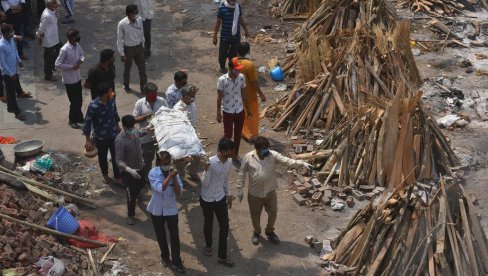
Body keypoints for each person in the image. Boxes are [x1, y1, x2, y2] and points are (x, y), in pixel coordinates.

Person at [237, 136, 313, 245]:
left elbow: (287, 161)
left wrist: (302, 163)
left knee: (273, 213)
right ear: (257, 149)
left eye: (266, 148)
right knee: (255, 215)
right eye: (263, 149)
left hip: (270, 192)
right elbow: (241, 173)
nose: (266, 151)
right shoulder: (248, 157)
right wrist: (240, 189)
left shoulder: (272, 155)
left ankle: (269, 231)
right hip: (254, 194)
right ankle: (257, 232)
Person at [147, 151, 186, 274]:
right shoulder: (153, 173)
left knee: (174, 236)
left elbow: (178, 192)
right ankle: (165, 256)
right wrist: (170, 176)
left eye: (168, 162)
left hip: (171, 209)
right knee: (161, 235)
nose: (167, 165)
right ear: (158, 163)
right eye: (164, 163)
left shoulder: (175, 174)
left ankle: (177, 262)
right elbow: (160, 188)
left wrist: (174, 177)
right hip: (156, 209)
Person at [200, 138, 235, 267]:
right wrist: (207, 170)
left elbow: (226, 180)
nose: (230, 154)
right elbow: (205, 183)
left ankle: (222, 256)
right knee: (208, 224)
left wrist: (229, 194)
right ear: (222, 151)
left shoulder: (229, 162)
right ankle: (208, 245)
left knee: (224, 226)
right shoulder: (210, 163)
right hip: (207, 199)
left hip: (220, 197)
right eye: (229, 152)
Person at [83, 82, 122, 185]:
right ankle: (105, 176)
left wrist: (117, 125)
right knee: (102, 157)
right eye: (110, 91)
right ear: (105, 93)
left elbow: (115, 113)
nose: (112, 92)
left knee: (116, 156)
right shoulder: (93, 106)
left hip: (113, 135)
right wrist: (88, 139)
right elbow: (87, 122)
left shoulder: (112, 100)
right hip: (100, 138)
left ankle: (117, 177)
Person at [216, 57, 251, 161]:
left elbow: (244, 93)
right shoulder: (222, 80)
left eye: (239, 69)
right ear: (230, 69)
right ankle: (223, 150)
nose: (238, 71)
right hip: (227, 110)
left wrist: (248, 108)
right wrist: (218, 113)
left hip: (239, 110)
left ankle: (235, 153)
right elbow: (219, 97)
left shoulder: (241, 77)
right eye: (236, 69)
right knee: (228, 134)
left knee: (238, 133)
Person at [132, 82, 167, 185]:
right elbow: (134, 119)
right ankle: (147, 179)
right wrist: (145, 116)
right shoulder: (139, 103)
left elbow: (168, 114)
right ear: (146, 94)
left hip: (161, 137)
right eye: (152, 93)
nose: (155, 95)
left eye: (155, 92)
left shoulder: (162, 101)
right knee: (147, 160)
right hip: (146, 138)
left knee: (162, 158)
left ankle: (159, 176)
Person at [115, 115, 144, 225]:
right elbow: (118, 160)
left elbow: (140, 133)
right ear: (123, 126)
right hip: (128, 172)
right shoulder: (120, 140)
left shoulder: (135, 132)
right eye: (129, 127)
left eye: (133, 126)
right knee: (131, 194)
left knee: (142, 184)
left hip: (140, 167)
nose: (132, 129)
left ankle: (138, 193)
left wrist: (148, 129)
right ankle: (130, 216)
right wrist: (129, 170)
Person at [55, 28, 85, 129]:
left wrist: (81, 60)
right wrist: (71, 66)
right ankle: (72, 120)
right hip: (69, 80)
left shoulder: (77, 45)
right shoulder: (64, 49)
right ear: (72, 38)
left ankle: (79, 117)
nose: (78, 38)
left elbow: (82, 54)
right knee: (74, 101)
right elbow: (58, 64)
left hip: (77, 77)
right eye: (76, 36)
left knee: (79, 100)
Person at [236, 42, 266, 143]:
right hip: (249, 96)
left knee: (241, 115)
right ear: (248, 51)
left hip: (237, 95)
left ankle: (241, 132)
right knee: (251, 116)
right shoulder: (249, 64)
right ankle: (250, 135)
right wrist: (261, 94)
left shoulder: (234, 62)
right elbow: (254, 82)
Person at [212, 0, 249, 73]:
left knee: (234, 54)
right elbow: (218, 23)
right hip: (225, 37)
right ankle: (222, 67)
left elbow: (240, 18)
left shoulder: (238, 7)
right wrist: (214, 36)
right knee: (223, 53)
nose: (234, 1)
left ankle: (231, 67)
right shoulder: (221, 8)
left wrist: (245, 29)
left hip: (236, 36)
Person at [117, 4, 147, 93]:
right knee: (127, 68)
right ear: (129, 14)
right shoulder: (122, 24)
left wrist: (143, 46)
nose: (135, 15)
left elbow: (142, 33)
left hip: (139, 47)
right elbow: (119, 39)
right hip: (128, 49)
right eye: (134, 14)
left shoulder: (139, 20)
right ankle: (126, 85)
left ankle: (143, 86)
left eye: (136, 13)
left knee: (142, 68)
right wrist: (122, 54)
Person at [173, 83, 199, 180]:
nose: (193, 98)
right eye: (192, 96)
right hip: (182, 137)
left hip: (193, 134)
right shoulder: (178, 109)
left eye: (194, 95)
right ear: (184, 96)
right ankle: (180, 177)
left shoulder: (191, 103)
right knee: (181, 159)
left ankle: (191, 171)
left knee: (197, 155)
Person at [0, 23, 25, 120]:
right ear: (4, 33)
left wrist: (18, 60)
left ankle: (10, 107)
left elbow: (14, 51)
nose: (11, 34)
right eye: (9, 32)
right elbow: (2, 62)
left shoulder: (10, 40)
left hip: (14, 69)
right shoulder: (1, 45)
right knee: (11, 93)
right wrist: (10, 74)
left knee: (12, 90)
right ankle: (17, 112)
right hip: (7, 73)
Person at [37, 0, 61, 81]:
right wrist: (39, 37)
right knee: (49, 58)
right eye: (54, 4)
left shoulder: (51, 10)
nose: (56, 5)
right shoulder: (47, 15)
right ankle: (48, 75)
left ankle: (52, 65)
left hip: (54, 38)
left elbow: (59, 4)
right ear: (50, 5)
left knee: (60, 50)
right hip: (49, 40)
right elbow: (41, 28)